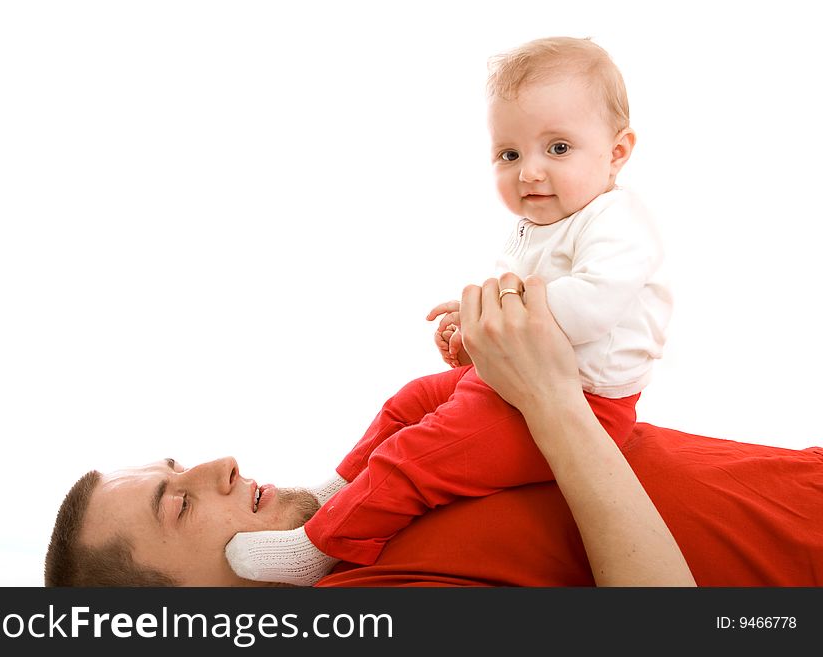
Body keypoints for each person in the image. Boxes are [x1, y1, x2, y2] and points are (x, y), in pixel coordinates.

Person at [44, 274, 823, 587]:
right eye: (175, 504)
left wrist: (512, 353)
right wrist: (549, 399)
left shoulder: (370, 513)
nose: (218, 463)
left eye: (177, 464)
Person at [228, 35, 673, 585]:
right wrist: (471, 332)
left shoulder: (617, 221)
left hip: (586, 403)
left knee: (423, 454)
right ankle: (337, 491)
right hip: (521, 377)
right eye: (510, 155)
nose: (530, 172)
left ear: (617, 152)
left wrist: (488, 317)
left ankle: (321, 544)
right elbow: (517, 300)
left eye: (558, 148)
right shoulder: (538, 220)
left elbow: (590, 307)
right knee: (409, 401)